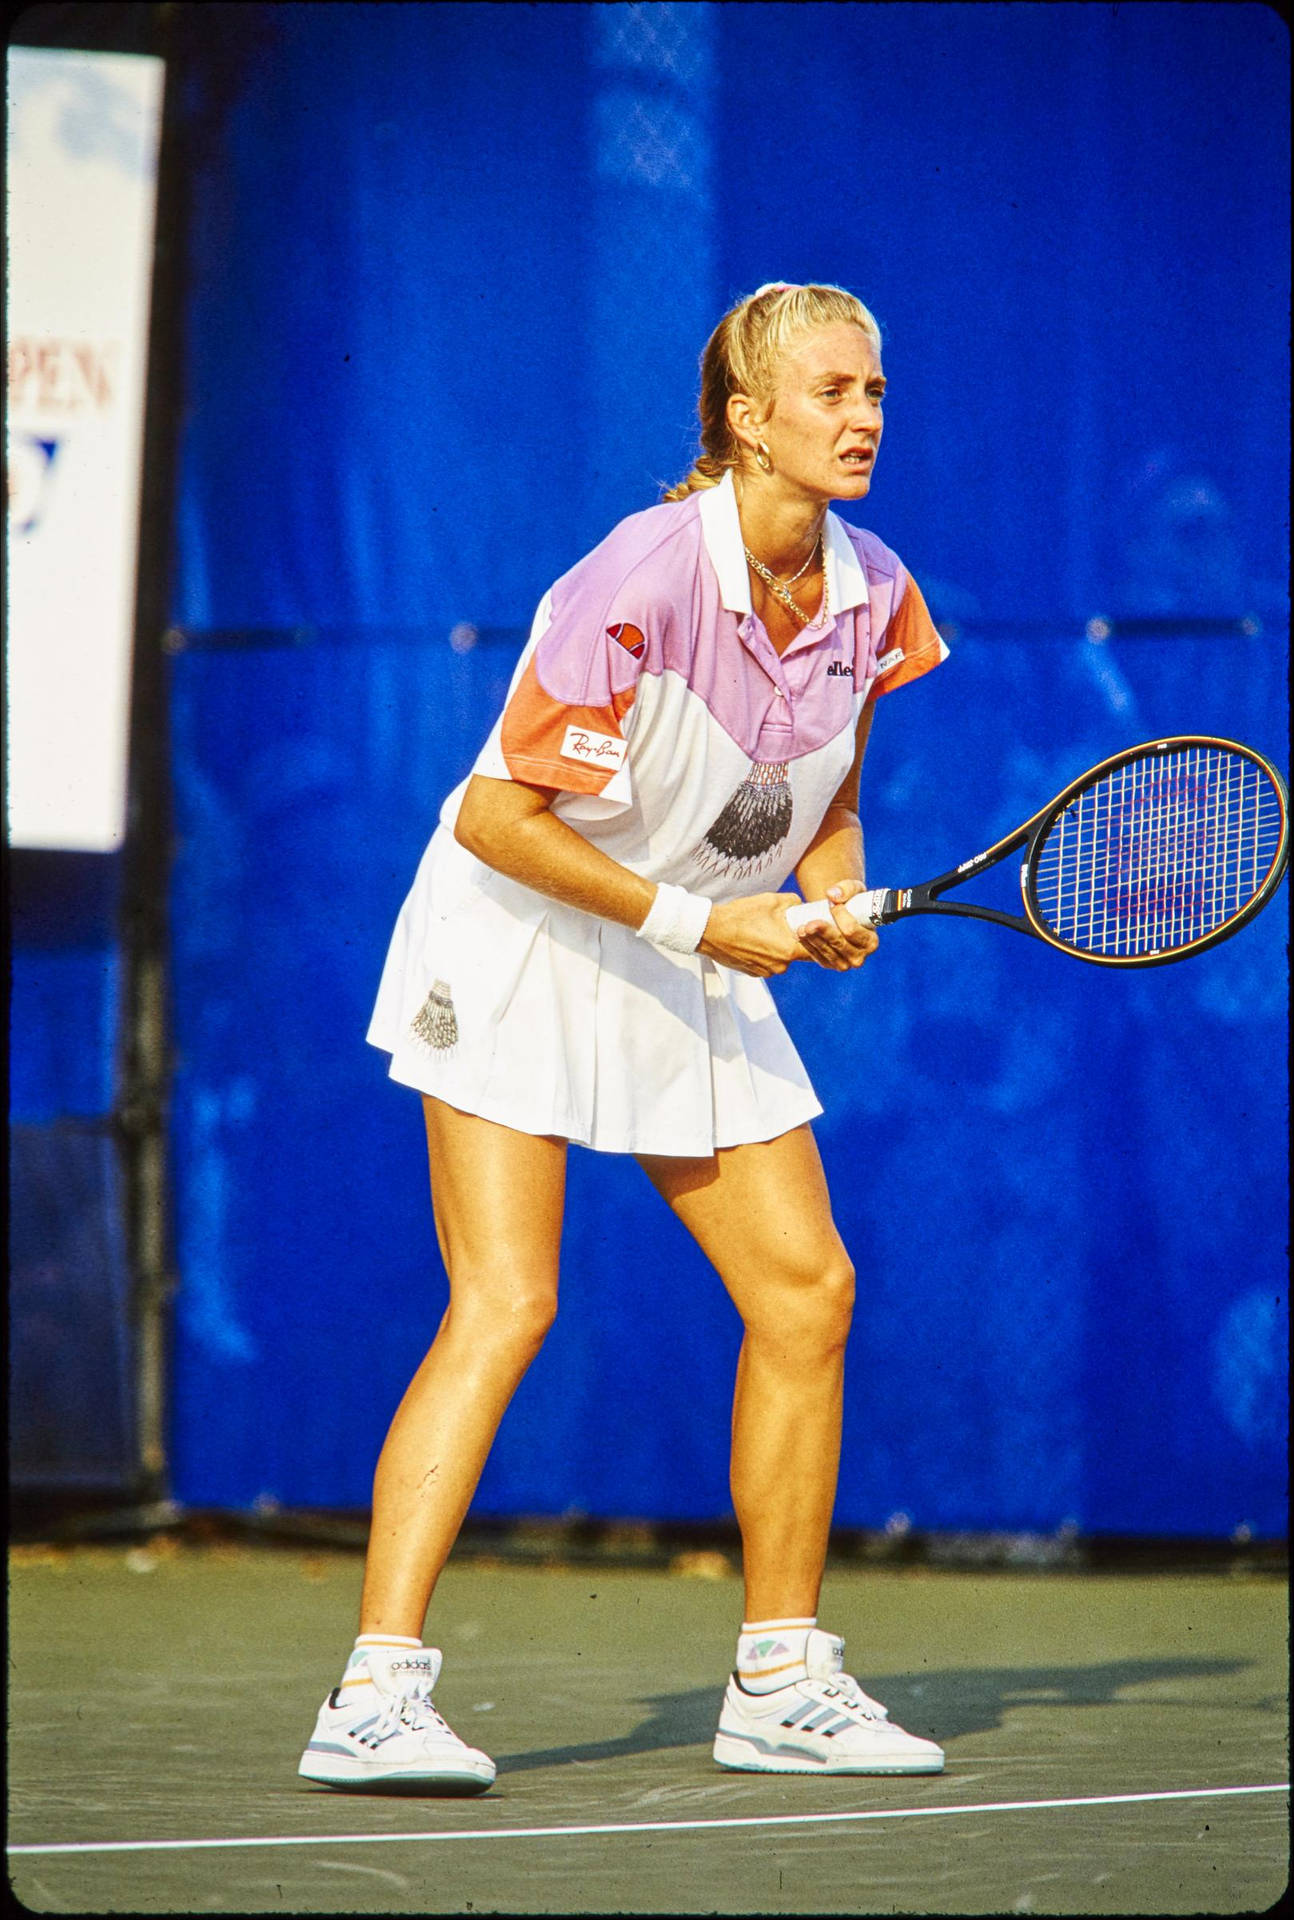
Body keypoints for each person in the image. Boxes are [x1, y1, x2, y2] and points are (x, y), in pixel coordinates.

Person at [298, 282, 949, 1794]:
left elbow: (828, 797)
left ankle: (779, 1674)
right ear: (746, 417)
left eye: (874, 393)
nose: (862, 418)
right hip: (519, 927)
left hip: (686, 933)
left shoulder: (876, 590)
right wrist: (703, 924)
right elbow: (495, 816)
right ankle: (373, 1693)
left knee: (806, 1291)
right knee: (507, 1300)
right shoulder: (639, 577)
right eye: (831, 393)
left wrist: (830, 901)